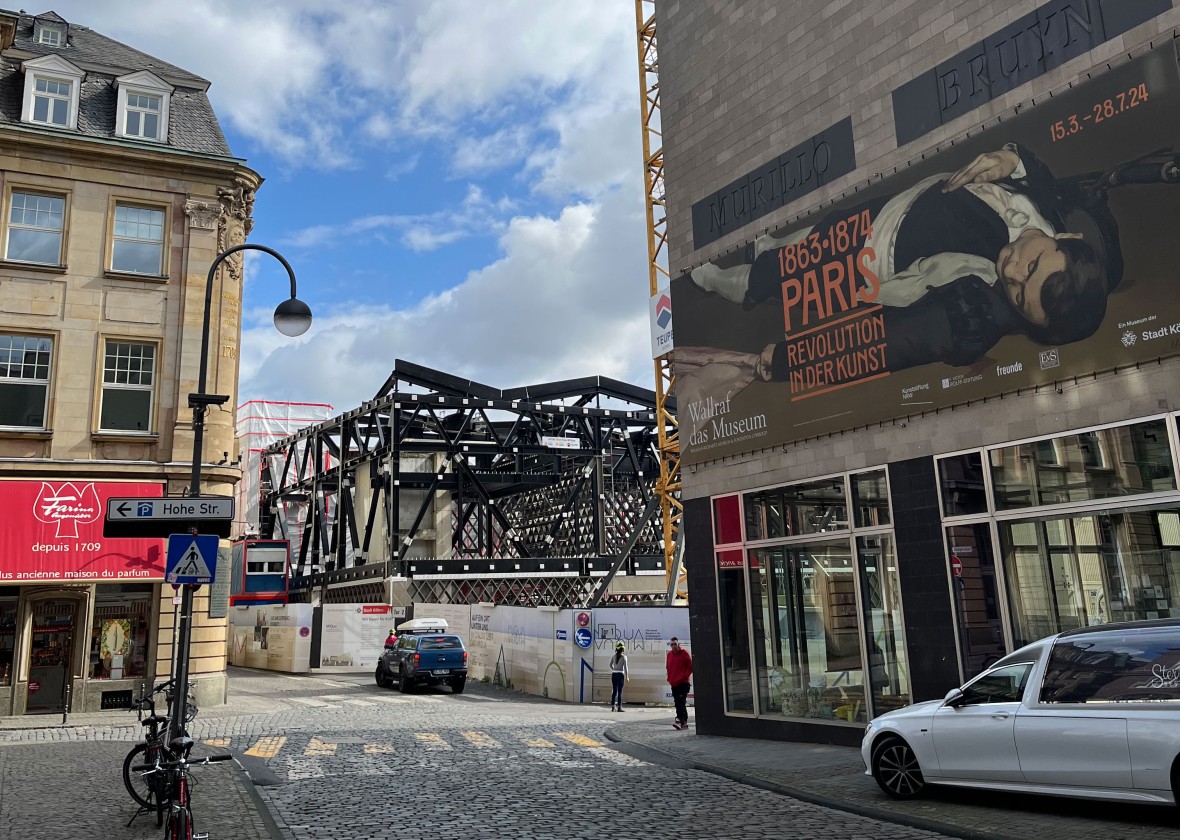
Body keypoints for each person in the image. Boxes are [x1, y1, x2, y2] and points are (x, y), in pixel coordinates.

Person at [689, 143, 1116, 360]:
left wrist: (787, 360)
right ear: (1067, 239)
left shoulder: (982, 300)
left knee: (777, 275)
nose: (1014, 272)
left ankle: (718, 281)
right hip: (895, 206)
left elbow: (910, 337)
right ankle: (769, 246)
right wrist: (1010, 158)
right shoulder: (1050, 208)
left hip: (868, 255)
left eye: (1021, 295)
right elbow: (1034, 170)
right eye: (1034, 263)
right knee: (814, 231)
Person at [666, 636, 693, 730]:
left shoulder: (684, 653)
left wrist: (684, 676)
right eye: (671, 644)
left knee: (681, 702)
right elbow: (668, 667)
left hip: (683, 683)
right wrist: (669, 678)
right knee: (678, 702)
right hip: (674, 683)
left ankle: (679, 720)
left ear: (678, 644)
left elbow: (690, 667)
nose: (673, 646)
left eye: (675, 644)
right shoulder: (669, 655)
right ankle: (684, 723)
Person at [608, 642, 629, 711]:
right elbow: (626, 667)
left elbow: (610, 665)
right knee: (620, 692)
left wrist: (614, 669)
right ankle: (619, 707)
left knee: (614, 691)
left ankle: (613, 707)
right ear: (623, 649)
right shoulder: (624, 657)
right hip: (620, 675)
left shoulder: (613, 656)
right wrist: (627, 676)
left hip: (614, 674)